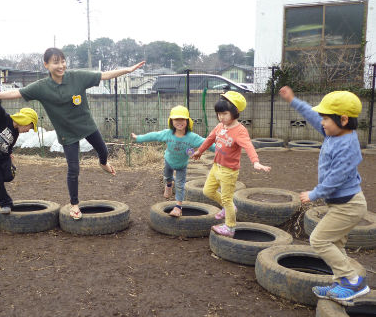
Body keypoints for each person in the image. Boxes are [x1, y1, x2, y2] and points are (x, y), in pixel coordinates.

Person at [0, 47, 145, 220]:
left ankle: (103, 163)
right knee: (73, 168)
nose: (61, 65)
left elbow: (104, 75)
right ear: (46, 65)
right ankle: (74, 204)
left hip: (86, 126)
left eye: (63, 61)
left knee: (103, 150)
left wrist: (128, 70)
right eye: (55, 62)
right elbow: (16, 93)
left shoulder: (77, 77)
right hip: (67, 134)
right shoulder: (42, 87)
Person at [279, 86, 370, 304]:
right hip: (341, 204)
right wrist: (294, 101)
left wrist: (314, 194)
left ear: (344, 120)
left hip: (349, 206)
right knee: (335, 243)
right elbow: (312, 116)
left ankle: (354, 281)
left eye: (326, 119)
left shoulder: (348, 146)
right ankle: (342, 284)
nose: (322, 123)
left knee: (319, 240)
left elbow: (336, 179)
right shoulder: (333, 132)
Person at [192, 91, 271, 237]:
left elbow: (248, 146)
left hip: (229, 171)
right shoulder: (220, 126)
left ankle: (230, 227)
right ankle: (228, 207)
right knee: (207, 191)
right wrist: (200, 151)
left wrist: (255, 162)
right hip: (216, 166)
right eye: (218, 114)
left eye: (224, 114)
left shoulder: (240, 131)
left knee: (227, 199)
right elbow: (209, 139)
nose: (220, 117)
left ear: (235, 112)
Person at [131, 105, 214, 217]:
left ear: (187, 121)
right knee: (167, 177)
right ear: (171, 121)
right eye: (176, 119)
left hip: (182, 165)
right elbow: (154, 135)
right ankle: (169, 185)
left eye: (182, 119)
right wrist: (139, 138)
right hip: (169, 161)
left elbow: (207, 143)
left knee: (180, 185)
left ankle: (178, 207)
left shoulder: (192, 137)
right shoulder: (167, 133)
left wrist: (222, 149)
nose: (179, 122)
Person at [0, 100, 38, 214]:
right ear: (25, 120)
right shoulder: (4, 120)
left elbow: (9, 143)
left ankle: (10, 168)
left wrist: (9, 152)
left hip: (4, 156)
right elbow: (0, 112)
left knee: (8, 177)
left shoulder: (16, 132)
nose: (28, 131)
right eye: (30, 127)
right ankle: (5, 204)